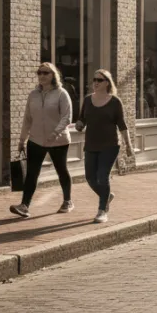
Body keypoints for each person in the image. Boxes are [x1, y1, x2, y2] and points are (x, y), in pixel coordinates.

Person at [11, 62, 74, 218]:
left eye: (45, 73)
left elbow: (67, 117)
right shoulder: (33, 95)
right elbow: (27, 118)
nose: (42, 76)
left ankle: (68, 201)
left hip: (58, 140)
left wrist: (55, 133)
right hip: (36, 139)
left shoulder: (61, 93)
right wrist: (22, 140)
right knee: (32, 173)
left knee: (61, 171)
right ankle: (24, 205)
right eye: (39, 73)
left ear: (53, 75)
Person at [75, 69, 135, 224]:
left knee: (102, 177)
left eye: (99, 80)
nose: (95, 82)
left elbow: (122, 125)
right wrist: (79, 124)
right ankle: (107, 196)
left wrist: (128, 145)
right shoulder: (88, 100)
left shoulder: (115, 102)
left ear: (107, 82)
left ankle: (102, 210)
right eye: (94, 79)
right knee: (90, 178)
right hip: (91, 144)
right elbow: (82, 119)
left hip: (110, 145)